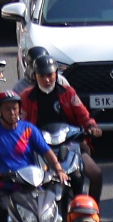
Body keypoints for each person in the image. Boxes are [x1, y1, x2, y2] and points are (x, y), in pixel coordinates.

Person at [19, 50, 103, 198]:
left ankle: (92, 215)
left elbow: (83, 115)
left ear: (56, 74)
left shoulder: (68, 93)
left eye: (50, 75)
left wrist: (91, 126)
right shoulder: (26, 97)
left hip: (70, 144)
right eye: (42, 76)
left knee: (96, 175)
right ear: (34, 76)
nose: (47, 80)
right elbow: (21, 125)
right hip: (40, 148)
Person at [0, 91, 64, 198]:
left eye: (14, 108)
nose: (12, 112)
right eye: (7, 109)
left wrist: (59, 169)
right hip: (5, 185)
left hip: (31, 183)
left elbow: (46, 151)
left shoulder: (29, 128)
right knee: (0, 207)